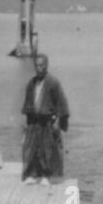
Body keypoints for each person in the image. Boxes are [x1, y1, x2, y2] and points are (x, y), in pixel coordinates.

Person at [21, 52, 69, 184]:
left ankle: (47, 177)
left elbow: (62, 104)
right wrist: (26, 126)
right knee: (31, 149)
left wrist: (58, 122)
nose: (39, 68)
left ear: (46, 66)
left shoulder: (53, 83)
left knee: (48, 150)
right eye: (36, 65)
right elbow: (28, 105)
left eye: (41, 65)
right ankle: (32, 175)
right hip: (33, 122)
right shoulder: (31, 83)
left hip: (47, 122)